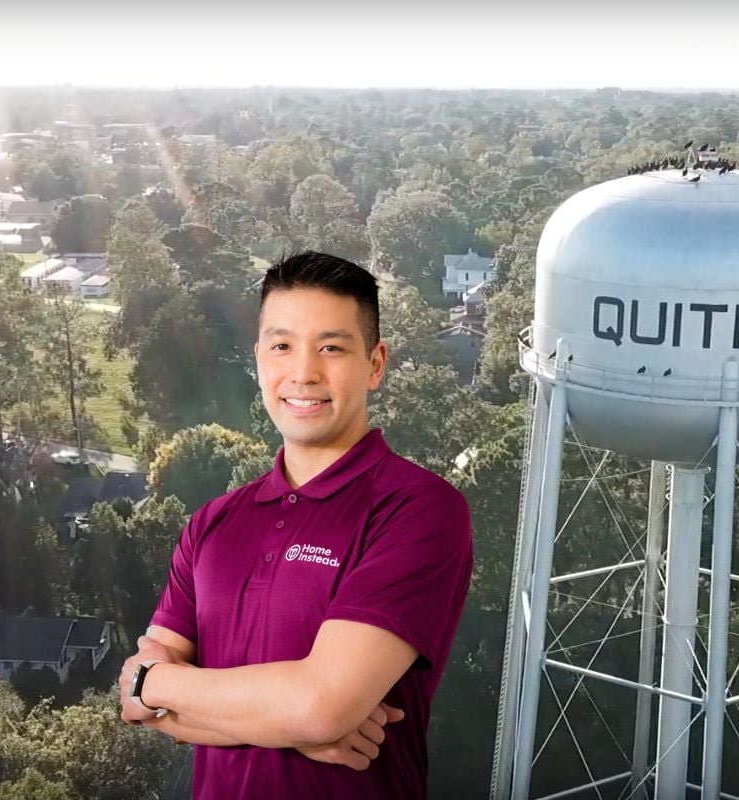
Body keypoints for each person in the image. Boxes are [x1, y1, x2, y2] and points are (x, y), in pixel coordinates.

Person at [118, 251, 474, 799]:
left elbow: (319, 705)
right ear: (259, 359)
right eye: (282, 346)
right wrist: (293, 727)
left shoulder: (420, 509)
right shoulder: (213, 524)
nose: (303, 372)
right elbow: (133, 704)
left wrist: (158, 684)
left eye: (331, 347)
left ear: (375, 364)